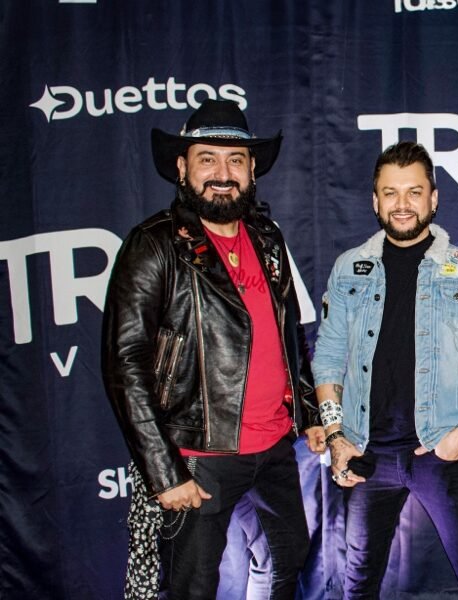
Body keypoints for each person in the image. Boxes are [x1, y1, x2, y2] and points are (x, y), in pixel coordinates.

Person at [102, 99, 326, 600]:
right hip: (198, 456)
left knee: (288, 560)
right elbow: (125, 365)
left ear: (252, 170)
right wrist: (165, 473)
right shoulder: (154, 244)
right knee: (193, 587)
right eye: (208, 159)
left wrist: (309, 412)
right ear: (182, 168)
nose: (223, 174)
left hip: (274, 446)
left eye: (235, 160)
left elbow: (288, 335)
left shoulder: (268, 238)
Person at [311, 141, 458, 599]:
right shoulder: (349, 268)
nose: (402, 204)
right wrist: (336, 436)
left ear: (433, 199)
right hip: (367, 452)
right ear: (375, 201)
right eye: (390, 193)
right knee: (358, 580)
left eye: (414, 192)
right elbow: (328, 357)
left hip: (441, 447)